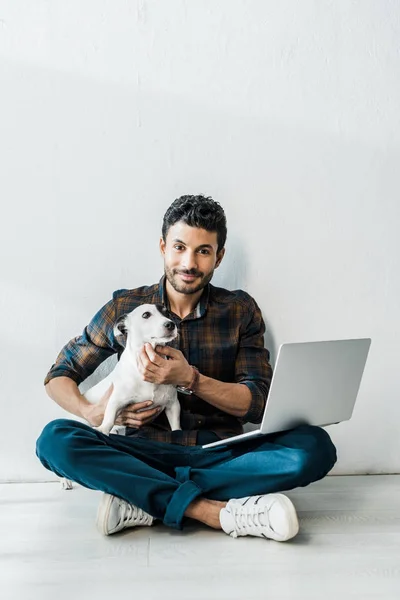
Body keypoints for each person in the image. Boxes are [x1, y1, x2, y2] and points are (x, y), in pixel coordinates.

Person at [36, 195, 337, 542]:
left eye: (203, 251)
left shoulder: (239, 310)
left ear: (219, 257)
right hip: (142, 452)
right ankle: (214, 511)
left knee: (315, 447)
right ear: (163, 247)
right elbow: (59, 374)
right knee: (55, 440)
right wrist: (92, 411)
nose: (188, 262)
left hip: (219, 452)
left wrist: (190, 379)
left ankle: (145, 499)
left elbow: (256, 402)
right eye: (179, 247)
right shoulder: (127, 307)